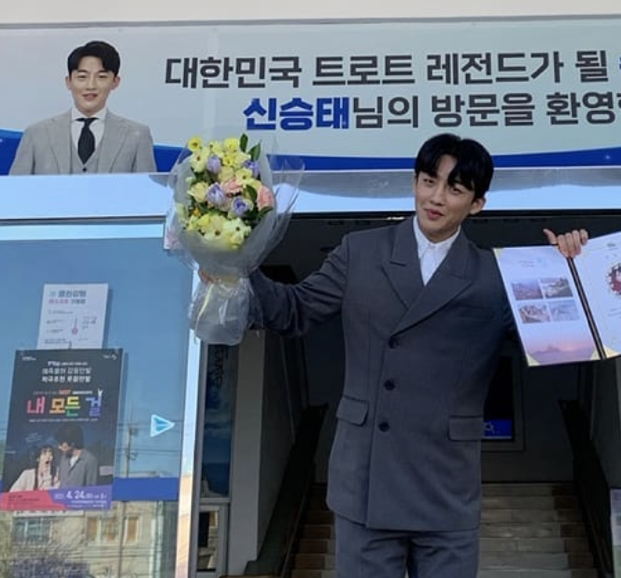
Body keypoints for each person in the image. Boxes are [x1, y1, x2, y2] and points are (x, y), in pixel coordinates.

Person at [247, 133, 588, 578]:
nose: (436, 198)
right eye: (429, 181)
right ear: (414, 182)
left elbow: (561, 346)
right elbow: (293, 311)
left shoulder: (497, 275)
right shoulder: (360, 251)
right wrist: (235, 262)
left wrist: (573, 271)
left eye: (455, 189)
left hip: (445, 484)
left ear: (477, 205)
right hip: (366, 479)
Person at [9, 40, 156, 175]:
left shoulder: (137, 135)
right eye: (82, 77)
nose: (90, 86)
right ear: (68, 81)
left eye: (101, 77)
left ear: (115, 82)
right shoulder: (36, 134)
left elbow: (148, 192)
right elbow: (16, 190)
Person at [54, 423, 99, 488]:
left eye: (61, 443)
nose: (59, 447)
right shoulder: (63, 459)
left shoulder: (90, 460)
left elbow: (92, 488)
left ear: (72, 443)